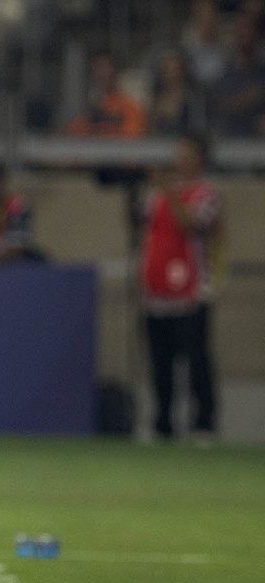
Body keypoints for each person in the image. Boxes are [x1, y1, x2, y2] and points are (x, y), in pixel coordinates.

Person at [138, 135, 221, 443]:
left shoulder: (207, 194)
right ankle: (163, 424)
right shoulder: (155, 197)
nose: (178, 161)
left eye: (185, 155)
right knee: (161, 364)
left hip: (191, 291)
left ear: (199, 159)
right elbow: (146, 234)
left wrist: (172, 194)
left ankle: (204, 424)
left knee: (197, 361)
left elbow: (190, 226)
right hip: (157, 292)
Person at [65, 51, 147, 138]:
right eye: (97, 70)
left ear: (116, 73)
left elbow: (133, 137)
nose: (101, 74)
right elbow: (72, 133)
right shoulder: (88, 109)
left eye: (105, 69)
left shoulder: (129, 108)